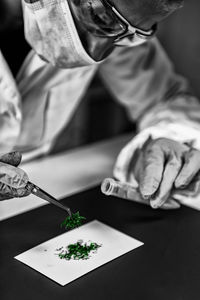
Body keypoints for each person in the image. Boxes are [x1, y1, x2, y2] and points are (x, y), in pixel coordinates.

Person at [0, 0, 200, 210]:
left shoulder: (124, 20)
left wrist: (170, 137)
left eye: (134, 36)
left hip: (42, 191)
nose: (97, 54)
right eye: (100, 18)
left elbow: (163, 97)